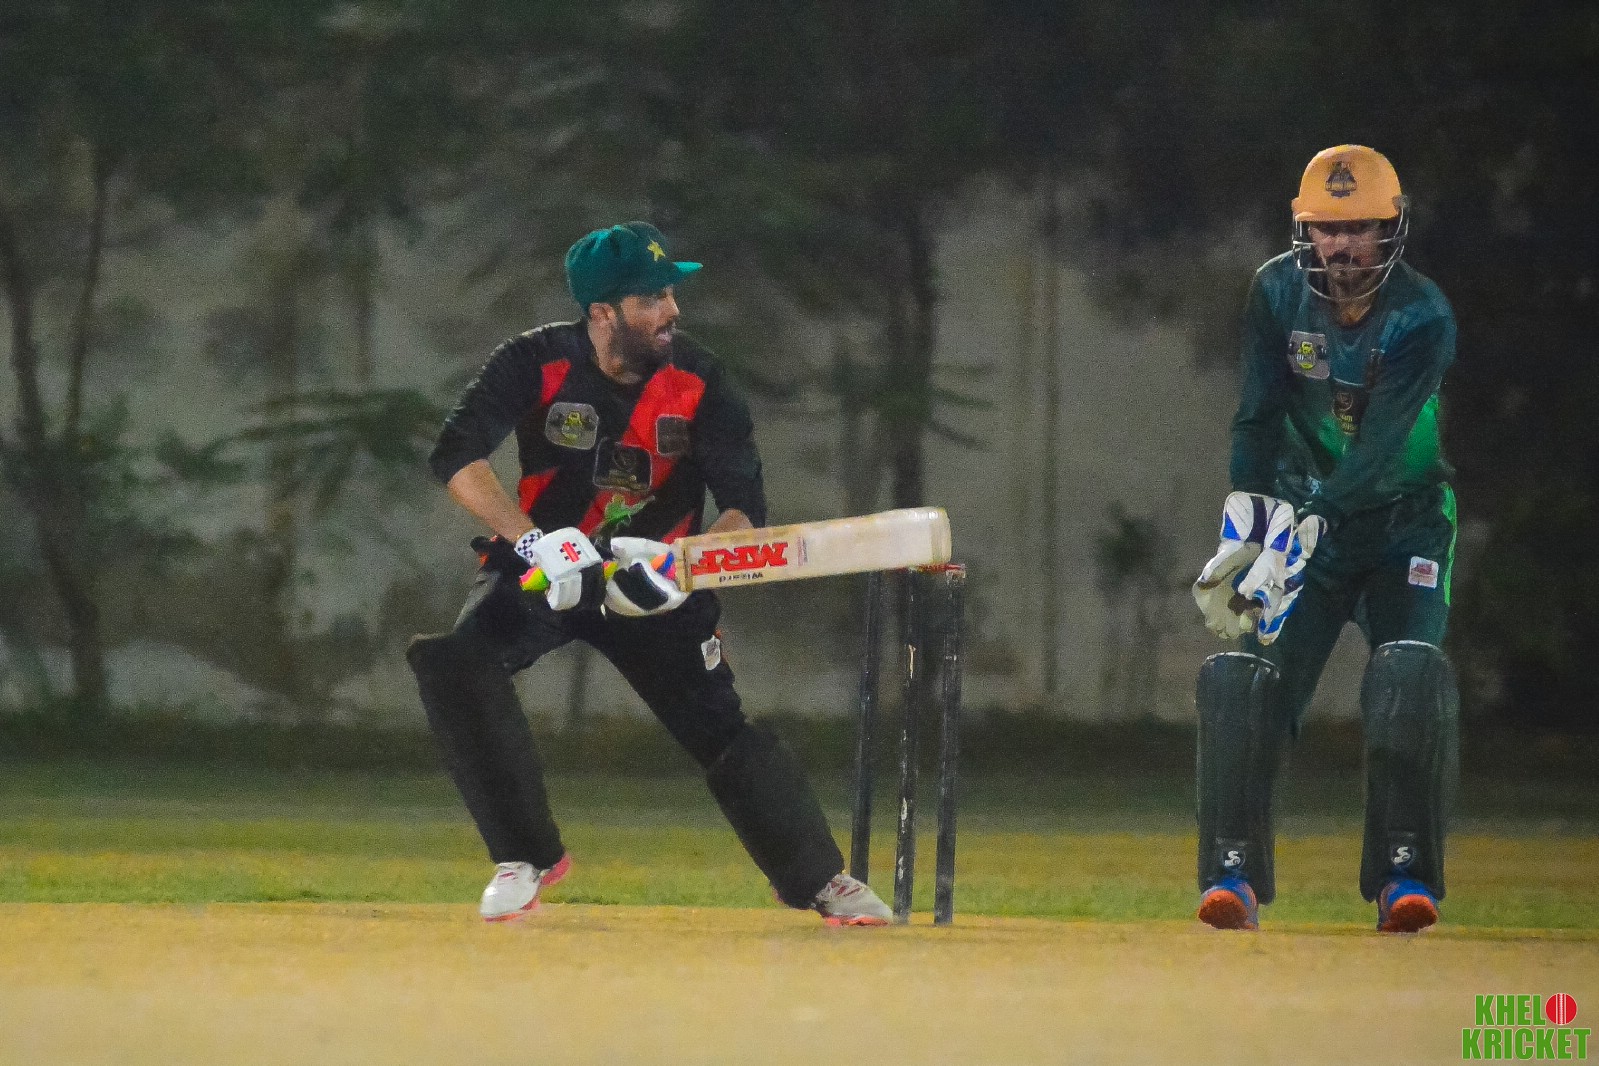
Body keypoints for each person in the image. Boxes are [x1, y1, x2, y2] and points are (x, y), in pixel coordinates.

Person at [407, 221, 891, 926]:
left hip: (656, 583)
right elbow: (455, 457)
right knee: (457, 662)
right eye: (651, 299)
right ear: (602, 312)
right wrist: (535, 542)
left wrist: (684, 572)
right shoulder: (534, 360)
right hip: (552, 571)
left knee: (720, 728)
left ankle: (822, 881)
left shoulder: (701, 379)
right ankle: (523, 857)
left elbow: (743, 510)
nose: (671, 311)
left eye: (670, 294)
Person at [1189, 146, 1459, 933]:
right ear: (1303, 229)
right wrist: (1246, 527)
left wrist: (1310, 519)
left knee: (1405, 678)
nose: (1340, 246)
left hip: (1403, 522)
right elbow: (1256, 415)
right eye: (1325, 228)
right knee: (1249, 684)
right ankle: (1232, 876)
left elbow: (1377, 448)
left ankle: (1403, 879)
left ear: (1390, 228)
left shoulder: (1421, 315)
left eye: (1358, 228)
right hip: (1305, 518)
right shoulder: (1276, 291)